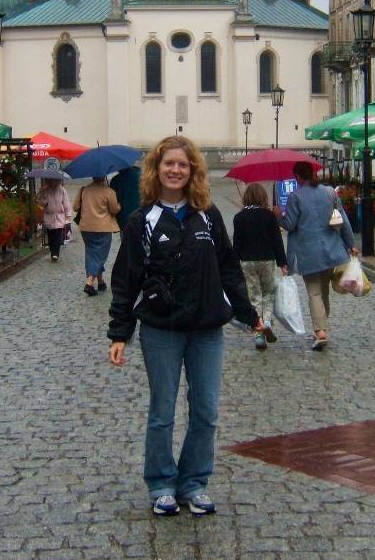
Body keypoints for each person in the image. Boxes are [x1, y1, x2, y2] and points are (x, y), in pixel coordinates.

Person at [108, 135, 262, 518]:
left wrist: (248, 313)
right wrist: (119, 332)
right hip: (161, 328)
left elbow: (228, 267)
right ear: (156, 169)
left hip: (206, 328)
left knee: (206, 411)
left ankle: (194, 482)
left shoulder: (207, 215)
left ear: (192, 170)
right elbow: (126, 278)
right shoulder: (142, 220)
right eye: (169, 164)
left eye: (182, 164)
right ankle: (161, 483)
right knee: (162, 411)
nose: (175, 170)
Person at [281, 161, 357, 351]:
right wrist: (351, 244)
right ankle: (322, 328)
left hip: (308, 253)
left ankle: (320, 331)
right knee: (323, 292)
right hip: (331, 251)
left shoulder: (295, 197)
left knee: (314, 292)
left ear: (298, 177)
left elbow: (289, 224)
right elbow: (342, 219)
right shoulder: (330, 192)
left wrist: (277, 215)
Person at [231, 183, 287, 349]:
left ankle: (258, 333)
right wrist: (282, 263)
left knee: (254, 296)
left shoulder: (239, 217)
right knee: (268, 293)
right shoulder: (269, 216)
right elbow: (277, 241)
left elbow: (237, 243)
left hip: (247, 262)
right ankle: (267, 321)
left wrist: (234, 265)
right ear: (263, 197)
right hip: (267, 260)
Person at [73, 176, 121, 295]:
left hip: (86, 228)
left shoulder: (84, 190)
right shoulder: (109, 192)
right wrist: (119, 206)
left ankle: (100, 282)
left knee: (92, 253)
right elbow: (114, 210)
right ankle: (89, 283)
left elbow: (75, 207)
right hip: (102, 228)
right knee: (100, 255)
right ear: (104, 177)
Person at [37, 177, 72, 261]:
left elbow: (66, 203)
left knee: (57, 235)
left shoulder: (62, 190)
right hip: (49, 216)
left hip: (59, 216)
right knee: (51, 235)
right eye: (51, 181)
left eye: (55, 180)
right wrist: (42, 194)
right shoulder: (46, 190)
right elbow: (41, 204)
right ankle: (52, 250)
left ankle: (55, 253)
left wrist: (68, 215)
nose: (53, 182)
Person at [111, 165, 141, 230]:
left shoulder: (115, 180)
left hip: (123, 220)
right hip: (142, 215)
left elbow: (113, 202)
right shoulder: (141, 176)